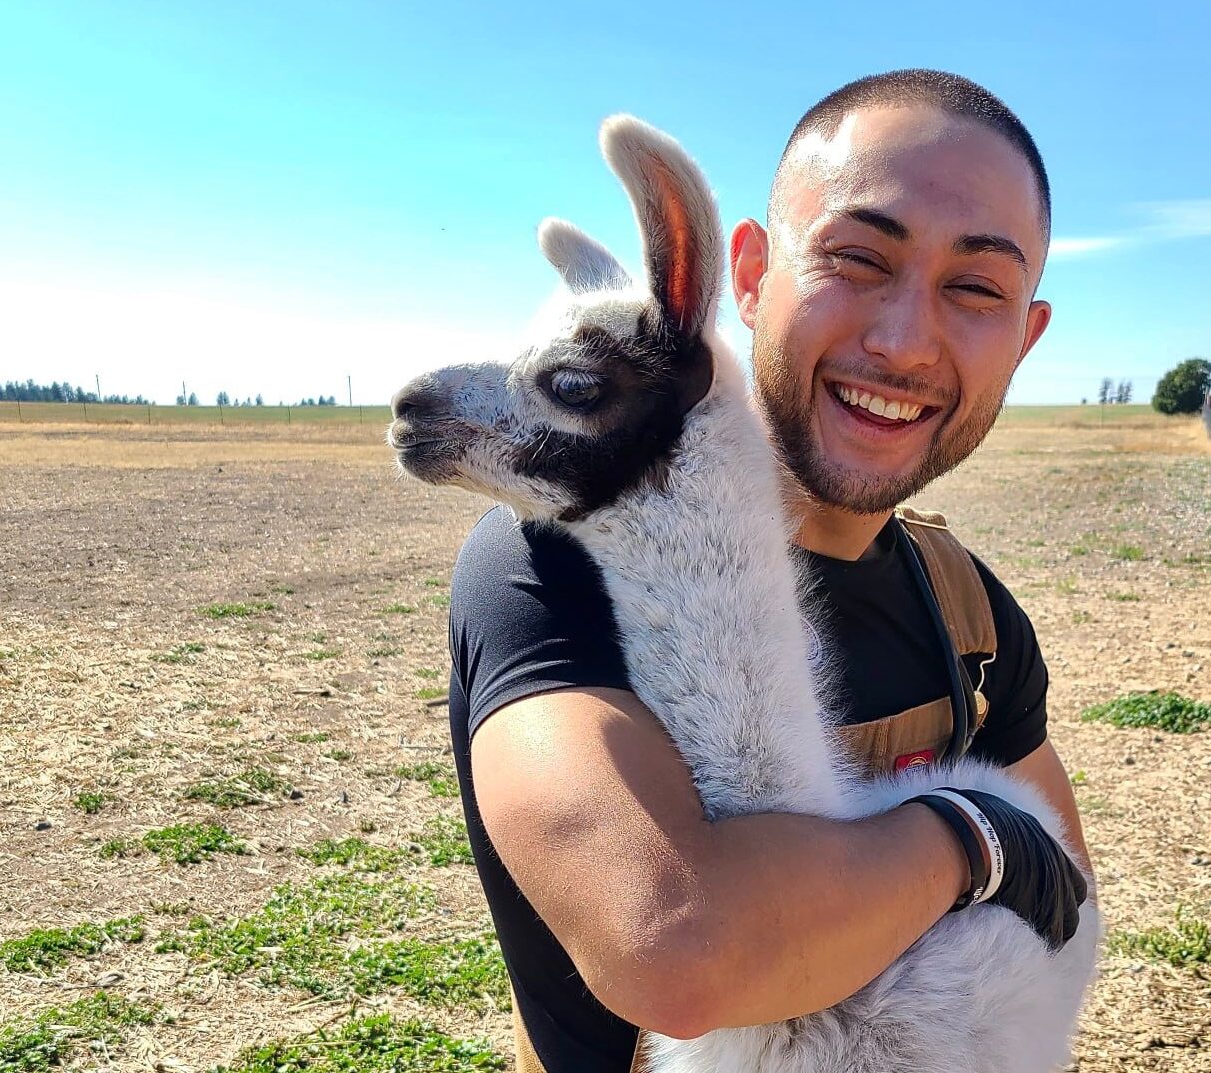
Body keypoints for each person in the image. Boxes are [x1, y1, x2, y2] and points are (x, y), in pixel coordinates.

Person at [447, 69, 1094, 1073]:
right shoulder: (553, 571)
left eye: (976, 288)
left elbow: (1061, 917)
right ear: (745, 274)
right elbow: (682, 951)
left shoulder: (971, 613)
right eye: (857, 257)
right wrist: (972, 836)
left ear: (1024, 336)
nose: (902, 341)